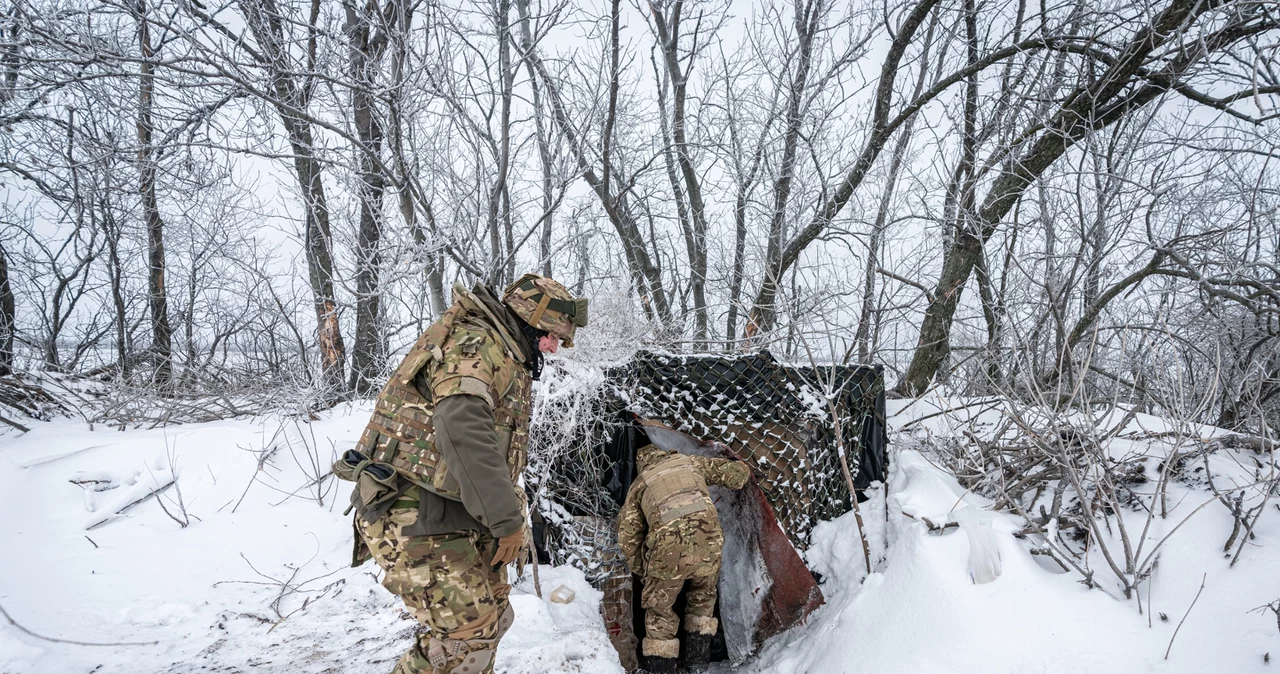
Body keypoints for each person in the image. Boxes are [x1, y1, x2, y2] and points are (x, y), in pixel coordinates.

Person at [335, 274, 587, 674]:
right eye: (551, 335)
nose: (555, 347)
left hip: (452, 511)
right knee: (468, 638)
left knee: (494, 620)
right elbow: (463, 431)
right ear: (526, 321)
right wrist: (506, 521)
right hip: (415, 512)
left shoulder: (502, 350)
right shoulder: (475, 344)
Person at [617, 443, 752, 674]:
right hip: (708, 543)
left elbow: (627, 536)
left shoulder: (640, 484)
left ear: (642, 465)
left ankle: (663, 670)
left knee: (659, 611)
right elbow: (737, 475)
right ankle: (697, 666)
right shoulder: (689, 462)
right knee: (703, 598)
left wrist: (645, 571)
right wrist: (744, 467)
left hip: (667, 552)